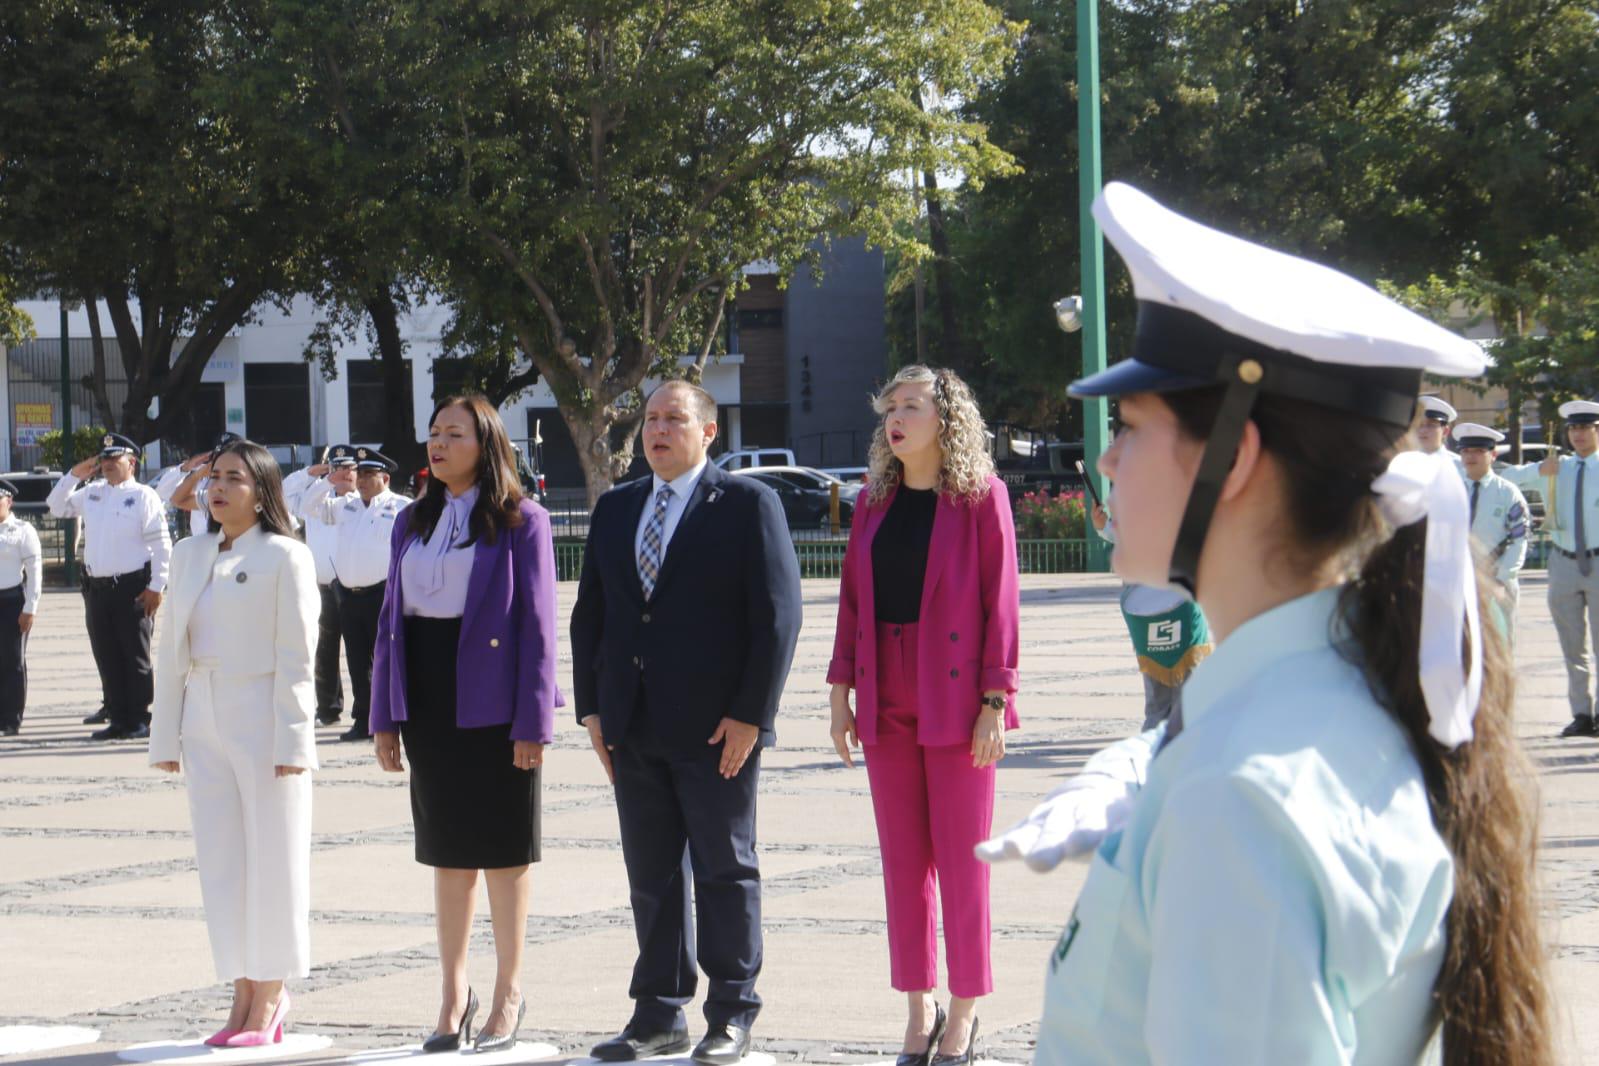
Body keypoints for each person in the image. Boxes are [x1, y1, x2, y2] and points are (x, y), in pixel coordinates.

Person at [1024, 183, 1550, 1064]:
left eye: (1130, 426)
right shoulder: (1325, 712)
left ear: (1232, 463)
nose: (1108, 460)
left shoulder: (1243, 795)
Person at [571, 381, 802, 1065]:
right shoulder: (616, 507)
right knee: (651, 872)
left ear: (708, 433)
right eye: (650, 419)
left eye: (674, 419)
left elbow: (776, 616)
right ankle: (657, 1013)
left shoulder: (745, 503)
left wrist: (751, 716)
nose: (658, 430)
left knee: (724, 868)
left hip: (716, 727)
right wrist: (592, 707)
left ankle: (730, 1012)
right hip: (631, 722)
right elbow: (593, 615)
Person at [825, 364, 1019, 1066]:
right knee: (903, 864)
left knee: (963, 863)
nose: (894, 418)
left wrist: (996, 701)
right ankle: (918, 1009)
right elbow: (851, 601)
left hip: (960, 695)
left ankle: (965, 1011)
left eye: (910, 405)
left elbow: (1001, 603)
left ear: (947, 420)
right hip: (884, 692)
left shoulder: (980, 497)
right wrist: (839, 692)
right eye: (888, 408)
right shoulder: (871, 501)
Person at [368, 395, 562, 1054]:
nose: (439, 444)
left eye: (454, 433)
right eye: (433, 433)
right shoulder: (411, 520)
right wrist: (384, 716)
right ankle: (453, 994)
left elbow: (538, 625)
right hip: (426, 697)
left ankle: (509, 991)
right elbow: (389, 625)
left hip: (495, 699)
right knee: (448, 854)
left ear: (487, 443)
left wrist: (533, 720)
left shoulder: (520, 520)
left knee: (505, 852)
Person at [147, 439, 320, 1048]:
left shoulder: (285, 556)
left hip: (264, 714)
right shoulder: (191, 553)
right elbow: (171, 651)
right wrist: (165, 732)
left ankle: (270, 994)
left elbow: (299, 658)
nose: (218, 488)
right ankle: (241, 989)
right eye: (214, 477)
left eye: (234, 479)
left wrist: (294, 741)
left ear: (263, 489)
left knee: (274, 861)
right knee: (223, 863)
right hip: (204, 715)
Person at [47, 433, 171, 740]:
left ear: (131, 462)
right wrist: (75, 474)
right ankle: (117, 717)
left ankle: (138, 719)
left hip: (131, 587)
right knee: (107, 654)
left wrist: (157, 586)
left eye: (114, 460)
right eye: (103, 460)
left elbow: (161, 544)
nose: (107, 466)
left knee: (134, 655)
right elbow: (55, 506)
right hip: (97, 588)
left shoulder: (144, 496)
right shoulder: (92, 493)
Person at [1501, 400, 1599, 737]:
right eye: (1574, 428)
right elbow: (1503, 477)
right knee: (1572, 645)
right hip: (1563, 562)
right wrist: (1536, 471)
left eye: (1585, 428)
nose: (1579, 434)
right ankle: (1582, 714)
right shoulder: (1559, 468)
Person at [297, 446, 408, 741]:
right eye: (360, 474)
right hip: (348, 595)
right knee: (358, 663)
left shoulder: (400, 507)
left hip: (382, 594)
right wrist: (327, 481)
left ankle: (393, 718)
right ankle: (364, 720)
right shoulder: (347, 506)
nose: (361, 481)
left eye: (369, 474)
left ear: (384, 478)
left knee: (387, 660)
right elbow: (306, 508)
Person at [1089, 502, 1211, 730]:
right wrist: (1103, 526)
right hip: (1155, 610)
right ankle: (1160, 744)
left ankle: (1173, 741)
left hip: (1178, 609)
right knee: (1161, 697)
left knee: (1187, 691)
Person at [283, 447, 355, 727]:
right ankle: (328, 708)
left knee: (362, 653)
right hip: (322, 586)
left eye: (349, 469)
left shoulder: (363, 502)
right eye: (338, 468)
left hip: (352, 586)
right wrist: (317, 476)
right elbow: (288, 496)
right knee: (324, 651)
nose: (344, 475)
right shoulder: (316, 499)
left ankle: (368, 709)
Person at [1453, 423, 1528, 632]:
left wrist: (1502, 579)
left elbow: (1519, 538)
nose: (1471, 456)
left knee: (1501, 648)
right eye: (1465, 451)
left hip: (1497, 579)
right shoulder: (1451, 489)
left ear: (1493, 454)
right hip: (1459, 580)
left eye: (1478, 451)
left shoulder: (1507, 493)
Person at [0, 481, 42, 737]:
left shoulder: (22, 530)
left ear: (9, 501)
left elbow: (36, 571)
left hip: (12, 600)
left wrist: (31, 607)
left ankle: (11, 718)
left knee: (12, 661)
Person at [166, 433, 243, 538]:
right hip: (203, 549)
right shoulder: (203, 477)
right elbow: (172, 497)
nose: (221, 460)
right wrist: (190, 470)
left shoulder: (246, 488)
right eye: (218, 455)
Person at [1415, 395, 1464, 470]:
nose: (1423, 430)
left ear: (1445, 431)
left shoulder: (1460, 466)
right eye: (1419, 424)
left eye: (1431, 425)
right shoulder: (1402, 464)